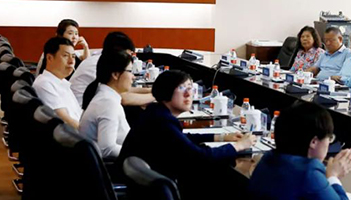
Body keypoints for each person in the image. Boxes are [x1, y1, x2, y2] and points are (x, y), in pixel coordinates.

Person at [118, 70, 257, 181]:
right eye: (182, 88)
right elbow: (200, 157)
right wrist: (239, 146)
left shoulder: (156, 112)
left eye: (190, 88)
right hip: (151, 191)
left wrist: (222, 137)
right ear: (166, 91)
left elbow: (182, 139)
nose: (188, 94)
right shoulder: (162, 120)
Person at [71, 31, 154, 107]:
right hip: (80, 110)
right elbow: (123, 98)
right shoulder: (100, 65)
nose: (130, 59)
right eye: (129, 54)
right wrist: (156, 96)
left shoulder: (101, 60)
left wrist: (150, 90)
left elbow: (122, 90)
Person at [78, 51, 133, 159]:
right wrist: (138, 153)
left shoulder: (106, 97)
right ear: (115, 75)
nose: (133, 77)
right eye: (130, 71)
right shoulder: (108, 103)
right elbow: (107, 149)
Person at [33, 37, 83, 129]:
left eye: (73, 56)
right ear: (49, 58)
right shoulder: (44, 84)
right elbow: (65, 121)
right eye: (65, 56)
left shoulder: (61, 82)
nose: (71, 61)